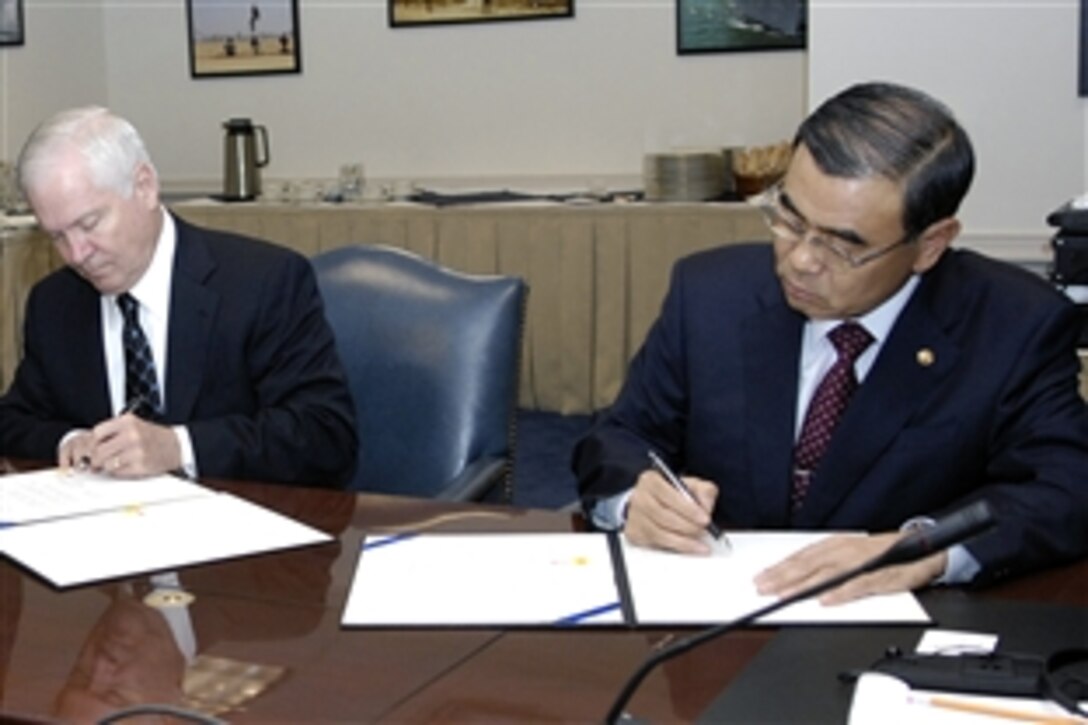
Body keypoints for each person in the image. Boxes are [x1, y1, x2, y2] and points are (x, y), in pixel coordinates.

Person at [573, 81, 1088, 603]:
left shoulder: (1015, 324)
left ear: (929, 245)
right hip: (714, 618)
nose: (801, 260)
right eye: (790, 220)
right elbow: (619, 436)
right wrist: (637, 498)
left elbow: (1066, 491)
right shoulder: (709, 295)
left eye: (843, 245)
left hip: (903, 635)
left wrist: (922, 550)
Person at [0, 106, 358, 487]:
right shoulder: (55, 303)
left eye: (89, 224)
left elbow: (324, 435)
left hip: (241, 527)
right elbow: (14, 420)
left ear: (145, 187)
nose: (75, 254)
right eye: (57, 236)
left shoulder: (263, 282)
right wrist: (70, 441)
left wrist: (179, 448)